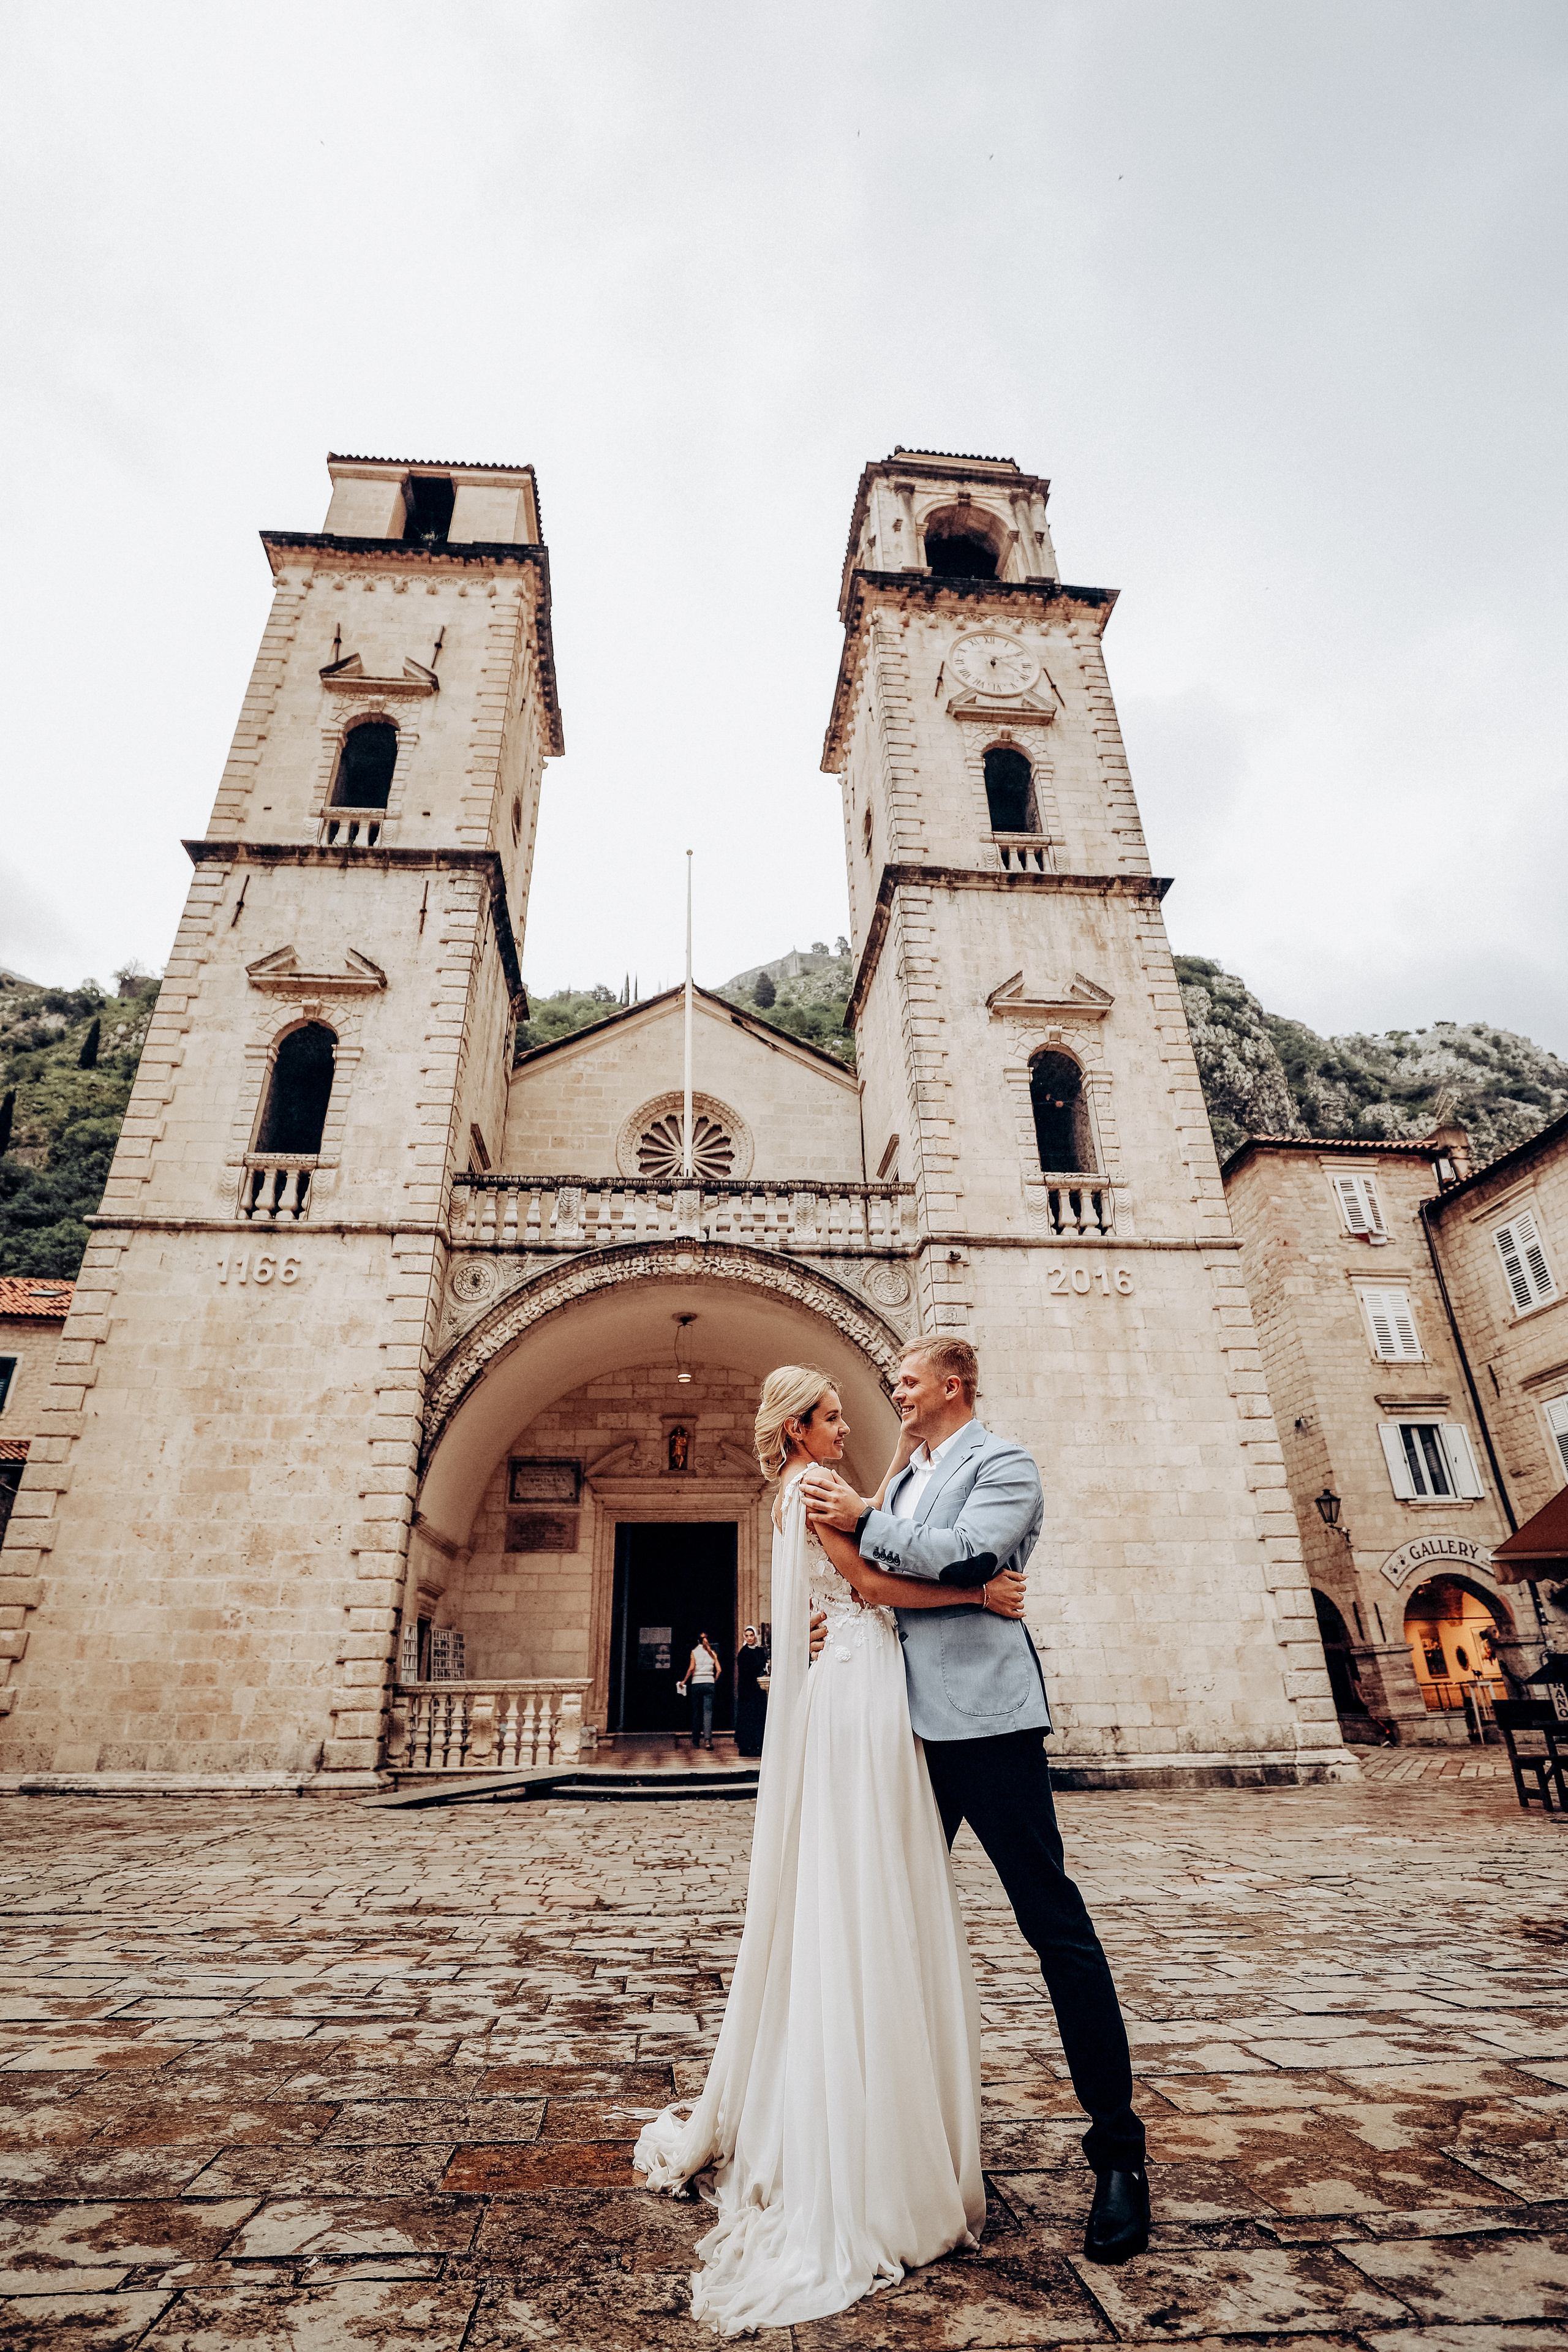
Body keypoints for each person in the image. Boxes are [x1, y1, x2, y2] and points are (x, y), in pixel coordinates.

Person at [634, 1364, 1030, 2334]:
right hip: (861, 1690)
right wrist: (979, 1599)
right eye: (832, 1416)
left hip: (855, 1678)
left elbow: (873, 1508)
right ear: (798, 1430)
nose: (849, 1425)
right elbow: (860, 1581)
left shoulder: (808, 1487)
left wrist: (898, 1441)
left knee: (864, 1883)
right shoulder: (816, 1489)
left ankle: (851, 2107)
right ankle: (867, 2144)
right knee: (873, 1882)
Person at [802, 1335, 1150, 2266]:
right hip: (903, 1732)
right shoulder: (904, 1477)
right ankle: (902, 2146)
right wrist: (841, 1625)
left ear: (951, 1385)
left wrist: (867, 1520)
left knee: (1055, 1927)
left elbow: (968, 1556)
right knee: (892, 1926)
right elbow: (902, 1588)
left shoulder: (1006, 1463)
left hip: (990, 1728)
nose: (896, 1394)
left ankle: (1120, 2153)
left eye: (907, 1381)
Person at [678, 1631, 720, 1751]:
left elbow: (692, 1668)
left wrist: (684, 1681)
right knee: (708, 1713)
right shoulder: (712, 1653)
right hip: (709, 1684)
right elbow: (719, 1670)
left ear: (698, 1641)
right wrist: (713, 1680)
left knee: (697, 1712)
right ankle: (708, 1741)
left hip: (697, 1684)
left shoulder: (694, 1652)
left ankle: (696, 1741)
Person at [734, 1624, 768, 1757]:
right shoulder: (743, 1653)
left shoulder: (760, 1651)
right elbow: (745, 1671)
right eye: (747, 1636)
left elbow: (763, 1665)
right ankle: (746, 1746)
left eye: (751, 1635)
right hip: (747, 1690)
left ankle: (758, 1745)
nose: (749, 1638)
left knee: (758, 1716)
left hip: (758, 1689)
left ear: (755, 1636)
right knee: (747, 1717)